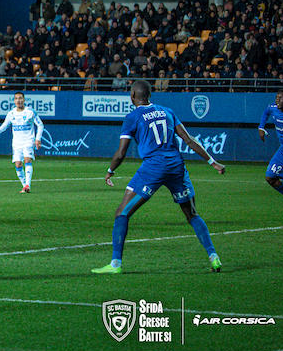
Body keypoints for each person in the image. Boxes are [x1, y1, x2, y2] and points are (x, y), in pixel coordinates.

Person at [92, 80, 225, 274]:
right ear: (150, 95)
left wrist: (110, 171)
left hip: (153, 168)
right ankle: (214, 257)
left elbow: (121, 153)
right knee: (192, 214)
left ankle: (115, 265)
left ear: (132, 96)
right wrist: (212, 161)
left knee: (121, 213)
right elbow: (188, 139)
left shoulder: (132, 117)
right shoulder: (167, 111)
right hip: (176, 166)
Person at [0, 92, 44, 193]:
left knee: (27, 160)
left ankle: (28, 185)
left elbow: (40, 125)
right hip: (17, 143)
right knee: (18, 164)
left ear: (24, 100)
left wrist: (38, 139)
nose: (18, 100)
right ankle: (24, 186)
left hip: (28, 141)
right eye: (16, 99)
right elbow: (5, 124)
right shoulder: (11, 113)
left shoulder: (30, 112)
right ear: (14, 101)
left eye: (20, 98)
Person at [257, 89, 283, 215]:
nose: (278, 100)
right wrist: (261, 127)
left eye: (281, 98)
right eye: (277, 97)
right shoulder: (272, 108)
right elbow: (266, 113)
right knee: (270, 177)